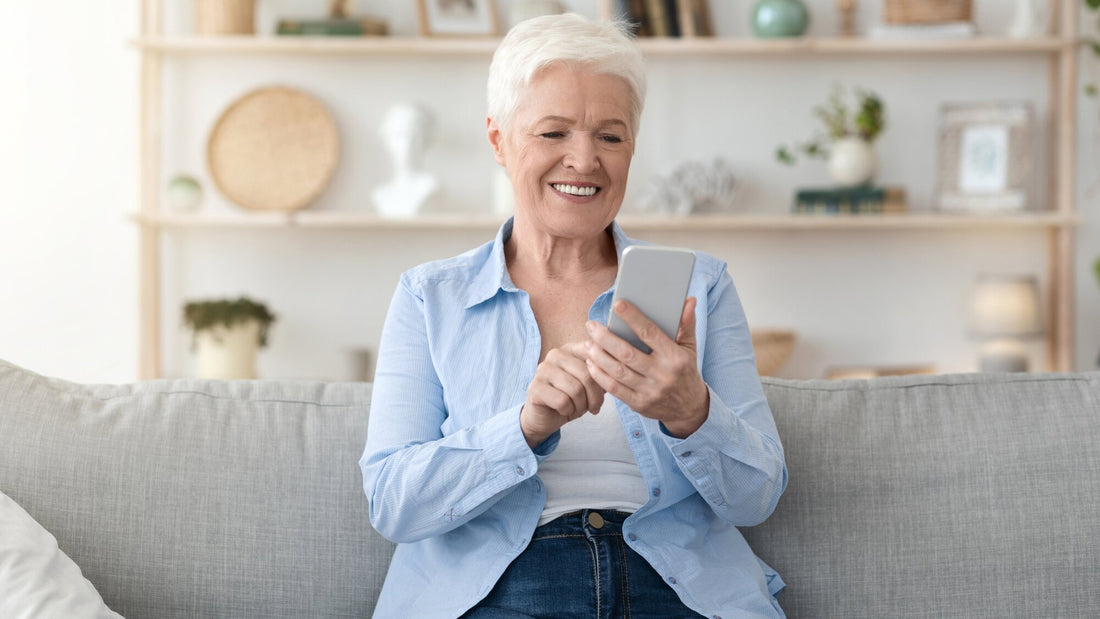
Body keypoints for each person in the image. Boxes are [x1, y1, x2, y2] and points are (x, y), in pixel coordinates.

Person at [360, 13, 787, 618]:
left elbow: (757, 498)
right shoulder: (431, 297)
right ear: (499, 141)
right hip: (497, 587)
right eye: (553, 133)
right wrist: (523, 428)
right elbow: (392, 506)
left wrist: (694, 413)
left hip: (673, 581)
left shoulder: (700, 286)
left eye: (610, 137)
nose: (584, 160)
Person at [371, 102, 439, 218]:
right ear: (387, 140)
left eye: (413, 135)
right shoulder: (380, 194)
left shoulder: (431, 187)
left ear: (425, 141)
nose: (406, 143)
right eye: (398, 134)